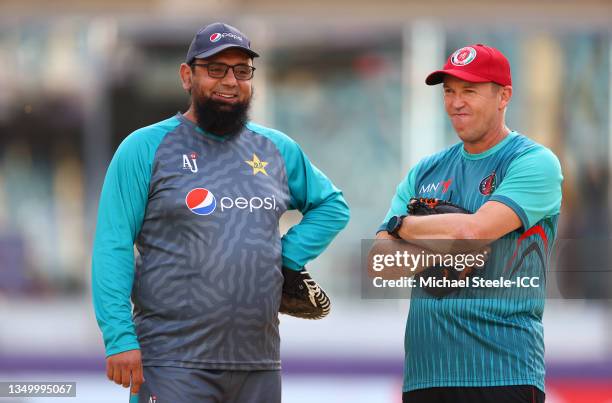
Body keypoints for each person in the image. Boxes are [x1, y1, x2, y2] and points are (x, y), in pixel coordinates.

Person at [92, 22, 350, 403]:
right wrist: (118, 336)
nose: (230, 80)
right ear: (187, 75)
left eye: (242, 71)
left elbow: (332, 207)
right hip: (172, 363)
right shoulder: (144, 148)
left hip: (258, 365)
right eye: (216, 69)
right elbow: (112, 245)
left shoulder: (275, 149)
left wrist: (287, 258)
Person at [376, 44, 562, 402]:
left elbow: (472, 231)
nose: (456, 102)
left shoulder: (534, 162)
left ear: (503, 96)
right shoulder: (425, 170)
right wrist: (436, 241)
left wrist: (402, 225)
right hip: (425, 374)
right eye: (449, 91)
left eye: (470, 91)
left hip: (503, 372)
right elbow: (382, 260)